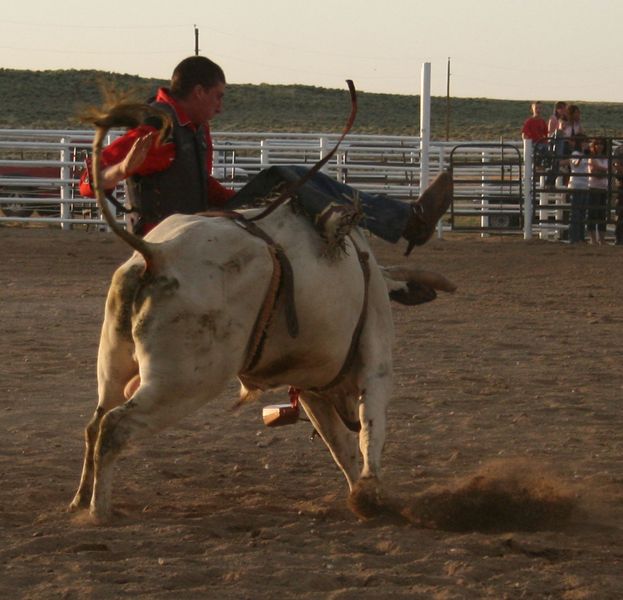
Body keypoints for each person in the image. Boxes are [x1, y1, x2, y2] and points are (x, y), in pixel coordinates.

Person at [80, 55, 451, 254]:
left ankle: (387, 219)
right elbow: (88, 182)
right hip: (169, 236)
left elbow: (197, 185)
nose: (220, 106)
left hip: (199, 222)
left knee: (283, 181)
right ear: (197, 92)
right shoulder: (156, 129)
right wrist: (123, 169)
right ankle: (403, 221)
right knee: (282, 176)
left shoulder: (191, 128)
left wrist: (237, 200)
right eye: (218, 96)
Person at [567, 135, 589, 243]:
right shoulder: (575, 154)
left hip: (584, 185)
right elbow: (575, 165)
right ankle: (574, 237)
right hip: (576, 185)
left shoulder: (586, 155)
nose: (586, 144)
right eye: (583, 142)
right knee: (575, 213)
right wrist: (582, 155)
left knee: (582, 213)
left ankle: (580, 237)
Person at [587, 137, 610, 245]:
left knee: (601, 214)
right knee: (593, 213)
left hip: (603, 187)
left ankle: (601, 238)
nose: (600, 146)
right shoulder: (592, 157)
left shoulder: (605, 158)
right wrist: (604, 170)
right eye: (597, 144)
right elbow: (593, 171)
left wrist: (599, 169)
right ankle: (593, 238)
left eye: (601, 144)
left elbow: (599, 171)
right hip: (594, 186)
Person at [521, 101, 548, 169]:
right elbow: (524, 135)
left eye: (540, 108)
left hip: (541, 144)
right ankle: (537, 168)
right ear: (532, 109)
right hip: (533, 145)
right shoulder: (529, 121)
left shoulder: (542, 121)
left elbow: (546, 134)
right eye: (536, 108)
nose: (538, 110)